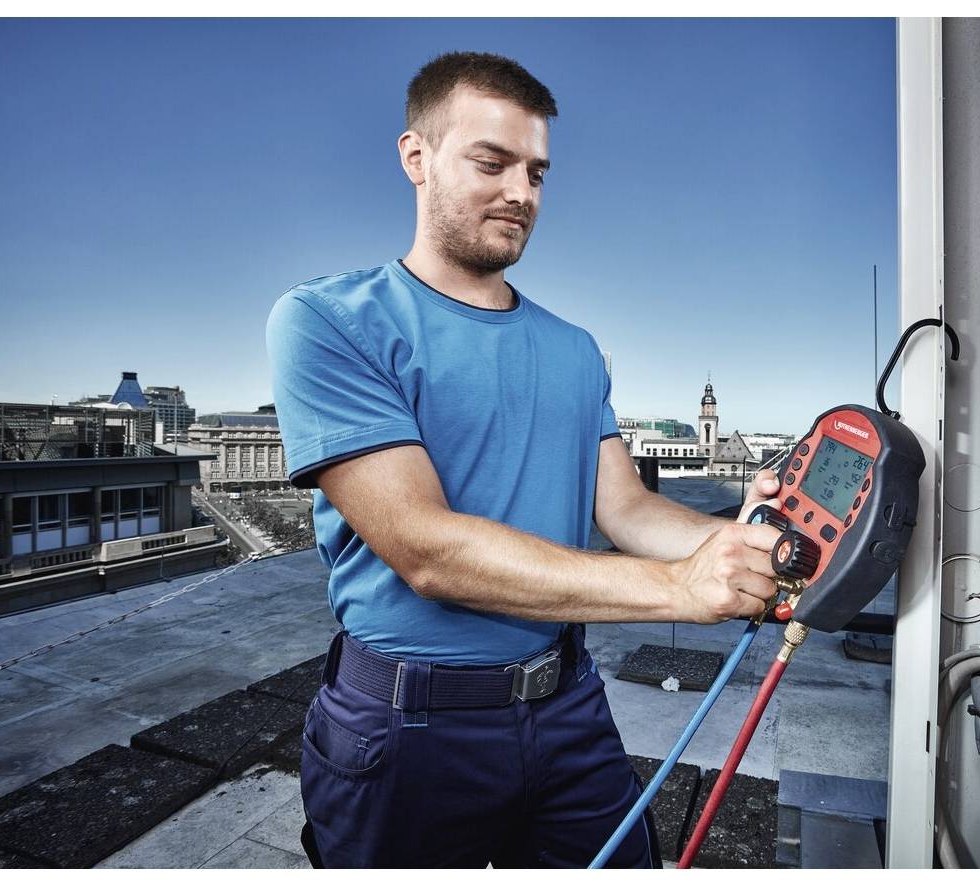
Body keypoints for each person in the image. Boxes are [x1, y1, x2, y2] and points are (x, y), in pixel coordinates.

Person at [266, 51, 783, 869]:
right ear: (415, 157)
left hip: (568, 707)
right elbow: (427, 552)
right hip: (407, 730)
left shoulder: (576, 350)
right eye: (491, 161)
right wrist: (680, 588)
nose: (521, 192)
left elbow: (626, 509)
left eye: (537, 172)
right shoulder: (329, 320)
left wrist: (745, 542)